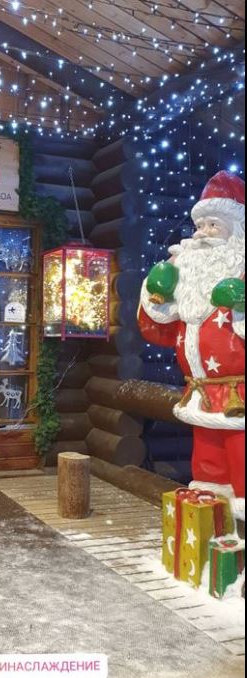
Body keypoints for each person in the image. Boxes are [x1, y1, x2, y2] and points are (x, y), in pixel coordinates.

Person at [138, 171, 245, 520]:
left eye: (214, 225)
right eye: (200, 226)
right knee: (208, 456)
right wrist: (157, 290)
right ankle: (211, 520)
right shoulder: (189, 277)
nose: (202, 234)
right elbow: (158, 329)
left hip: (240, 393)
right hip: (201, 389)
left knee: (241, 453)